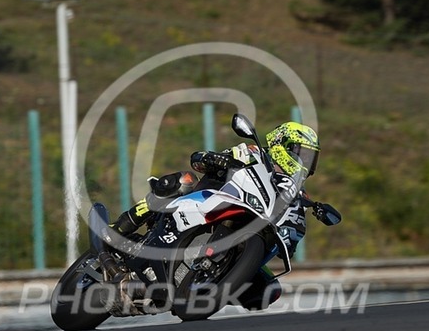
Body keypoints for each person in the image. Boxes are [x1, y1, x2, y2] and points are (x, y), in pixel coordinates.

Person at [110, 121, 321, 309]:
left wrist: (291, 235)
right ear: (281, 144)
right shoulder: (254, 153)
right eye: (302, 154)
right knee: (183, 181)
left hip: (252, 230)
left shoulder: (297, 194)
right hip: (209, 202)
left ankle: (208, 288)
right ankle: (118, 229)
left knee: (269, 291)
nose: (306, 162)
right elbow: (198, 160)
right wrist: (216, 159)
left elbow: (290, 240)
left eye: (311, 158)